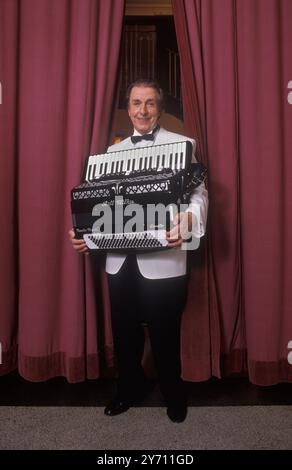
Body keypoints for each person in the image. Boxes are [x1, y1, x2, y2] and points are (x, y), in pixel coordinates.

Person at [69, 79, 208, 422]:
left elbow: (199, 194)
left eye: (149, 103)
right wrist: (85, 235)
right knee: (124, 331)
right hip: (119, 262)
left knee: (164, 331)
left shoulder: (183, 145)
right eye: (135, 103)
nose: (142, 110)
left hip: (165, 259)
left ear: (160, 109)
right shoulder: (110, 155)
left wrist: (189, 221)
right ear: (128, 108)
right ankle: (128, 388)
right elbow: (100, 204)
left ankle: (172, 393)